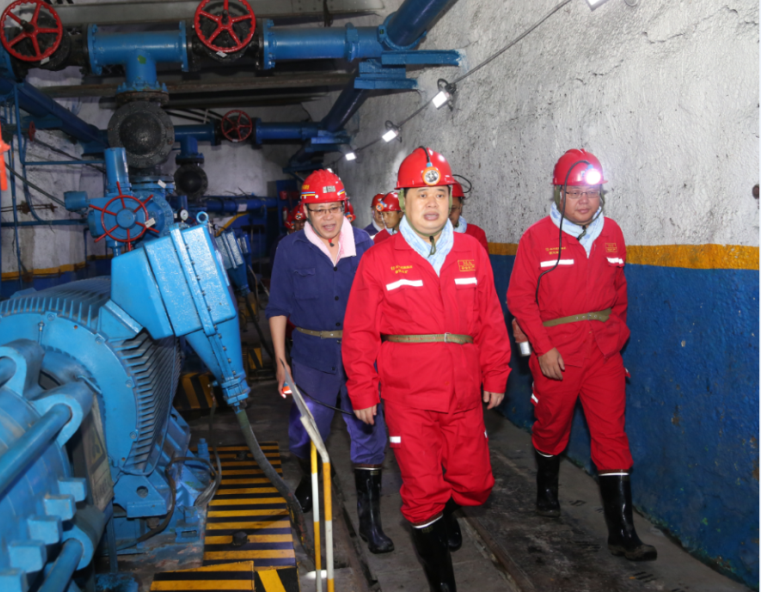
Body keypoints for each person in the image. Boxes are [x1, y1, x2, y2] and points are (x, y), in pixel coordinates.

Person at [342, 147, 511, 591]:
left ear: (451, 199)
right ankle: (443, 582)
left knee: (475, 484)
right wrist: (363, 389)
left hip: (463, 393)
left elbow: (491, 320)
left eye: (439, 194)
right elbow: (359, 331)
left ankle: (442, 510)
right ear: (403, 201)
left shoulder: (472, 252)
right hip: (408, 399)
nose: (432, 203)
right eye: (421, 194)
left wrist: (496, 372)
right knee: (421, 493)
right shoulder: (380, 259)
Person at [507, 149, 656, 562]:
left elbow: (619, 292)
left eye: (591, 192)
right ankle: (547, 490)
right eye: (574, 192)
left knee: (612, 435)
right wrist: (543, 347)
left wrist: (616, 334)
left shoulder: (613, 234)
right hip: (556, 352)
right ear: (559, 194)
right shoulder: (536, 237)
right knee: (551, 426)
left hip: (603, 352)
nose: (584, 200)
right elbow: (520, 298)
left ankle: (622, 532)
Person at [266, 169, 394, 554]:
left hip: (362, 357)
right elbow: (278, 307)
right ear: (305, 211)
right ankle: (309, 481)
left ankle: (370, 521)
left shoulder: (366, 245)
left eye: (333, 208)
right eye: (318, 210)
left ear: (345, 207)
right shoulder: (289, 249)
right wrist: (280, 361)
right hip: (310, 357)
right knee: (305, 432)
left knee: (369, 433)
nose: (327, 217)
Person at [449, 182, 489, 254]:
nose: (448, 213)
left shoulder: (475, 234)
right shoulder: (427, 235)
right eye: (443, 209)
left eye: (453, 208)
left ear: (460, 207)